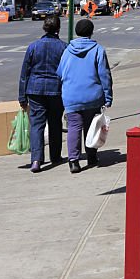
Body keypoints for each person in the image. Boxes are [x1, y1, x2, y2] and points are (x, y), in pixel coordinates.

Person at [57, 18, 113, 174]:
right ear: (91, 31)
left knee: (74, 127)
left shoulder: (67, 50)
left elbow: (60, 72)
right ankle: (91, 156)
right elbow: (104, 75)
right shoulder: (98, 50)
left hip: (71, 96)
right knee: (91, 126)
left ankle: (73, 161)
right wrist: (108, 96)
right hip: (92, 96)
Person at [18, 14, 67, 173]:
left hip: (35, 90)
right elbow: (67, 72)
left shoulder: (33, 46)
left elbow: (24, 73)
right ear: (58, 29)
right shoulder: (63, 47)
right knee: (55, 123)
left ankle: (36, 160)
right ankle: (55, 155)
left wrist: (22, 97)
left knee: (37, 125)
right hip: (55, 89)